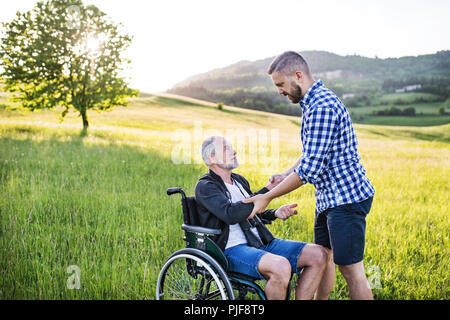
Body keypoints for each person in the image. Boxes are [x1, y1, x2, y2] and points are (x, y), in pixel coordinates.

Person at [243, 51, 375, 300]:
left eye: (281, 84)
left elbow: (310, 170)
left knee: (351, 270)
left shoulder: (321, 107)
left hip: (346, 199)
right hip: (329, 199)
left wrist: (267, 197)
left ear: (298, 75)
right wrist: (285, 174)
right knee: (323, 256)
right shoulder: (312, 104)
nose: (279, 91)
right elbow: (311, 154)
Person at [195, 136, 328, 300]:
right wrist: (266, 192)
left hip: (259, 243)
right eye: (226, 148)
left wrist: (274, 212)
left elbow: (250, 211)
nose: (234, 150)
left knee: (319, 254)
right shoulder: (206, 186)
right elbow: (231, 214)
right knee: (281, 266)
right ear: (212, 157)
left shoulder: (238, 180)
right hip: (231, 250)